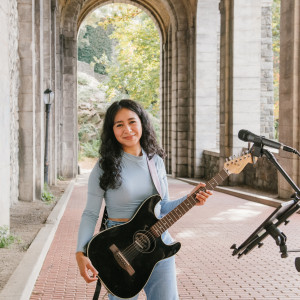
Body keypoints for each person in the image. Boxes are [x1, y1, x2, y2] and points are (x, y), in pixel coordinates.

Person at [76, 99, 213, 300]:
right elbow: (90, 213)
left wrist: (190, 199)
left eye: (132, 122)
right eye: (119, 124)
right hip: (119, 249)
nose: (127, 129)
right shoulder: (104, 166)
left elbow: (162, 207)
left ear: (142, 123)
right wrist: (81, 251)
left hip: (158, 245)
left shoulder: (155, 160)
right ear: (111, 130)